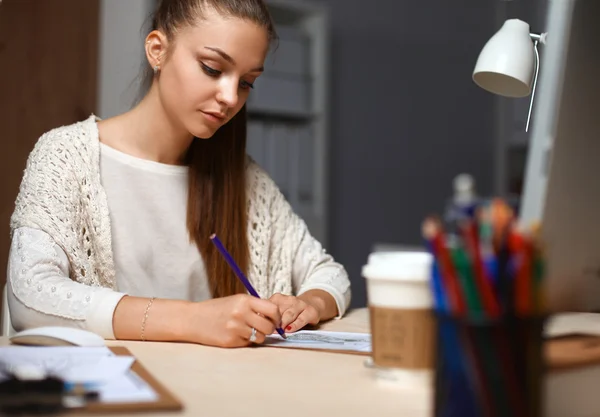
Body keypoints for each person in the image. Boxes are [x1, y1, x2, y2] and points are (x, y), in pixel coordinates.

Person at [7, 0, 351, 348]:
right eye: (213, 69)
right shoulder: (65, 156)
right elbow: (29, 296)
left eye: (247, 82)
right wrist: (192, 319)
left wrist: (307, 304)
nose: (231, 97)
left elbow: (329, 275)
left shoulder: (245, 180)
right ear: (157, 50)